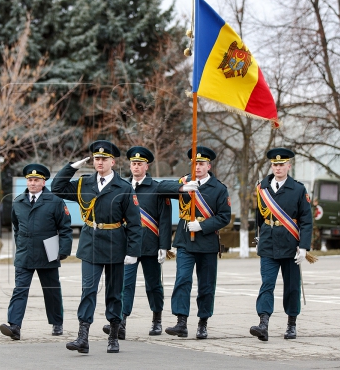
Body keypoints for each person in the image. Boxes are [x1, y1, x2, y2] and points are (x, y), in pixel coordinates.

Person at [51, 140, 142, 354]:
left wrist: (132, 251)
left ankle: (113, 336)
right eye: (96, 159)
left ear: (112, 161)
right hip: (91, 242)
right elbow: (57, 188)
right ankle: (83, 336)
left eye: (103, 159)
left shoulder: (124, 187)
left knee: (114, 293)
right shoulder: (84, 184)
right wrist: (71, 167)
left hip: (115, 243)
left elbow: (135, 223)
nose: (99, 162)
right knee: (88, 291)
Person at [158, 146, 231, 339]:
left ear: (209, 165)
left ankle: (203, 322)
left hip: (207, 243)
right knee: (183, 280)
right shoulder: (185, 182)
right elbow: (160, 188)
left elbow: (225, 217)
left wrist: (203, 226)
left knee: (206, 285)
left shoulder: (219, 189)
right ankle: (181, 322)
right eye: (194, 164)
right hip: (185, 243)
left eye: (200, 164)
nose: (197, 167)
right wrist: (181, 188)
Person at [102, 146, 172, 339]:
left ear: (147, 167)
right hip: (128, 245)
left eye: (140, 164)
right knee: (125, 285)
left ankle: (157, 318)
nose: (136, 167)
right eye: (133, 164)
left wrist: (164, 245)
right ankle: (121, 322)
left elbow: (165, 219)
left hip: (150, 244)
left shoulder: (156, 188)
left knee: (153, 285)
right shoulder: (123, 187)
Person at [0, 164, 73, 341]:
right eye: (30, 180)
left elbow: (65, 228)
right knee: (20, 289)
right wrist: (20, 245)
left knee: (51, 289)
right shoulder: (18, 201)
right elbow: (16, 228)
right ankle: (14, 326)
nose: (32, 183)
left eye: (36, 180)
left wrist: (63, 250)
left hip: (48, 250)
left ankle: (57, 322)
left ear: (43, 181)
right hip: (25, 252)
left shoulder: (55, 201)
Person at [250, 147, 313, 341]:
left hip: (290, 245)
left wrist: (304, 247)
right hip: (268, 244)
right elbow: (259, 217)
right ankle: (263, 323)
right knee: (267, 284)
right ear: (272, 166)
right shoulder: (262, 188)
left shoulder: (298, 189)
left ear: (289, 166)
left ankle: (291, 323)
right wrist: (258, 237)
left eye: (282, 164)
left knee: (292, 286)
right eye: (275, 165)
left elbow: (306, 220)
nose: (278, 168)